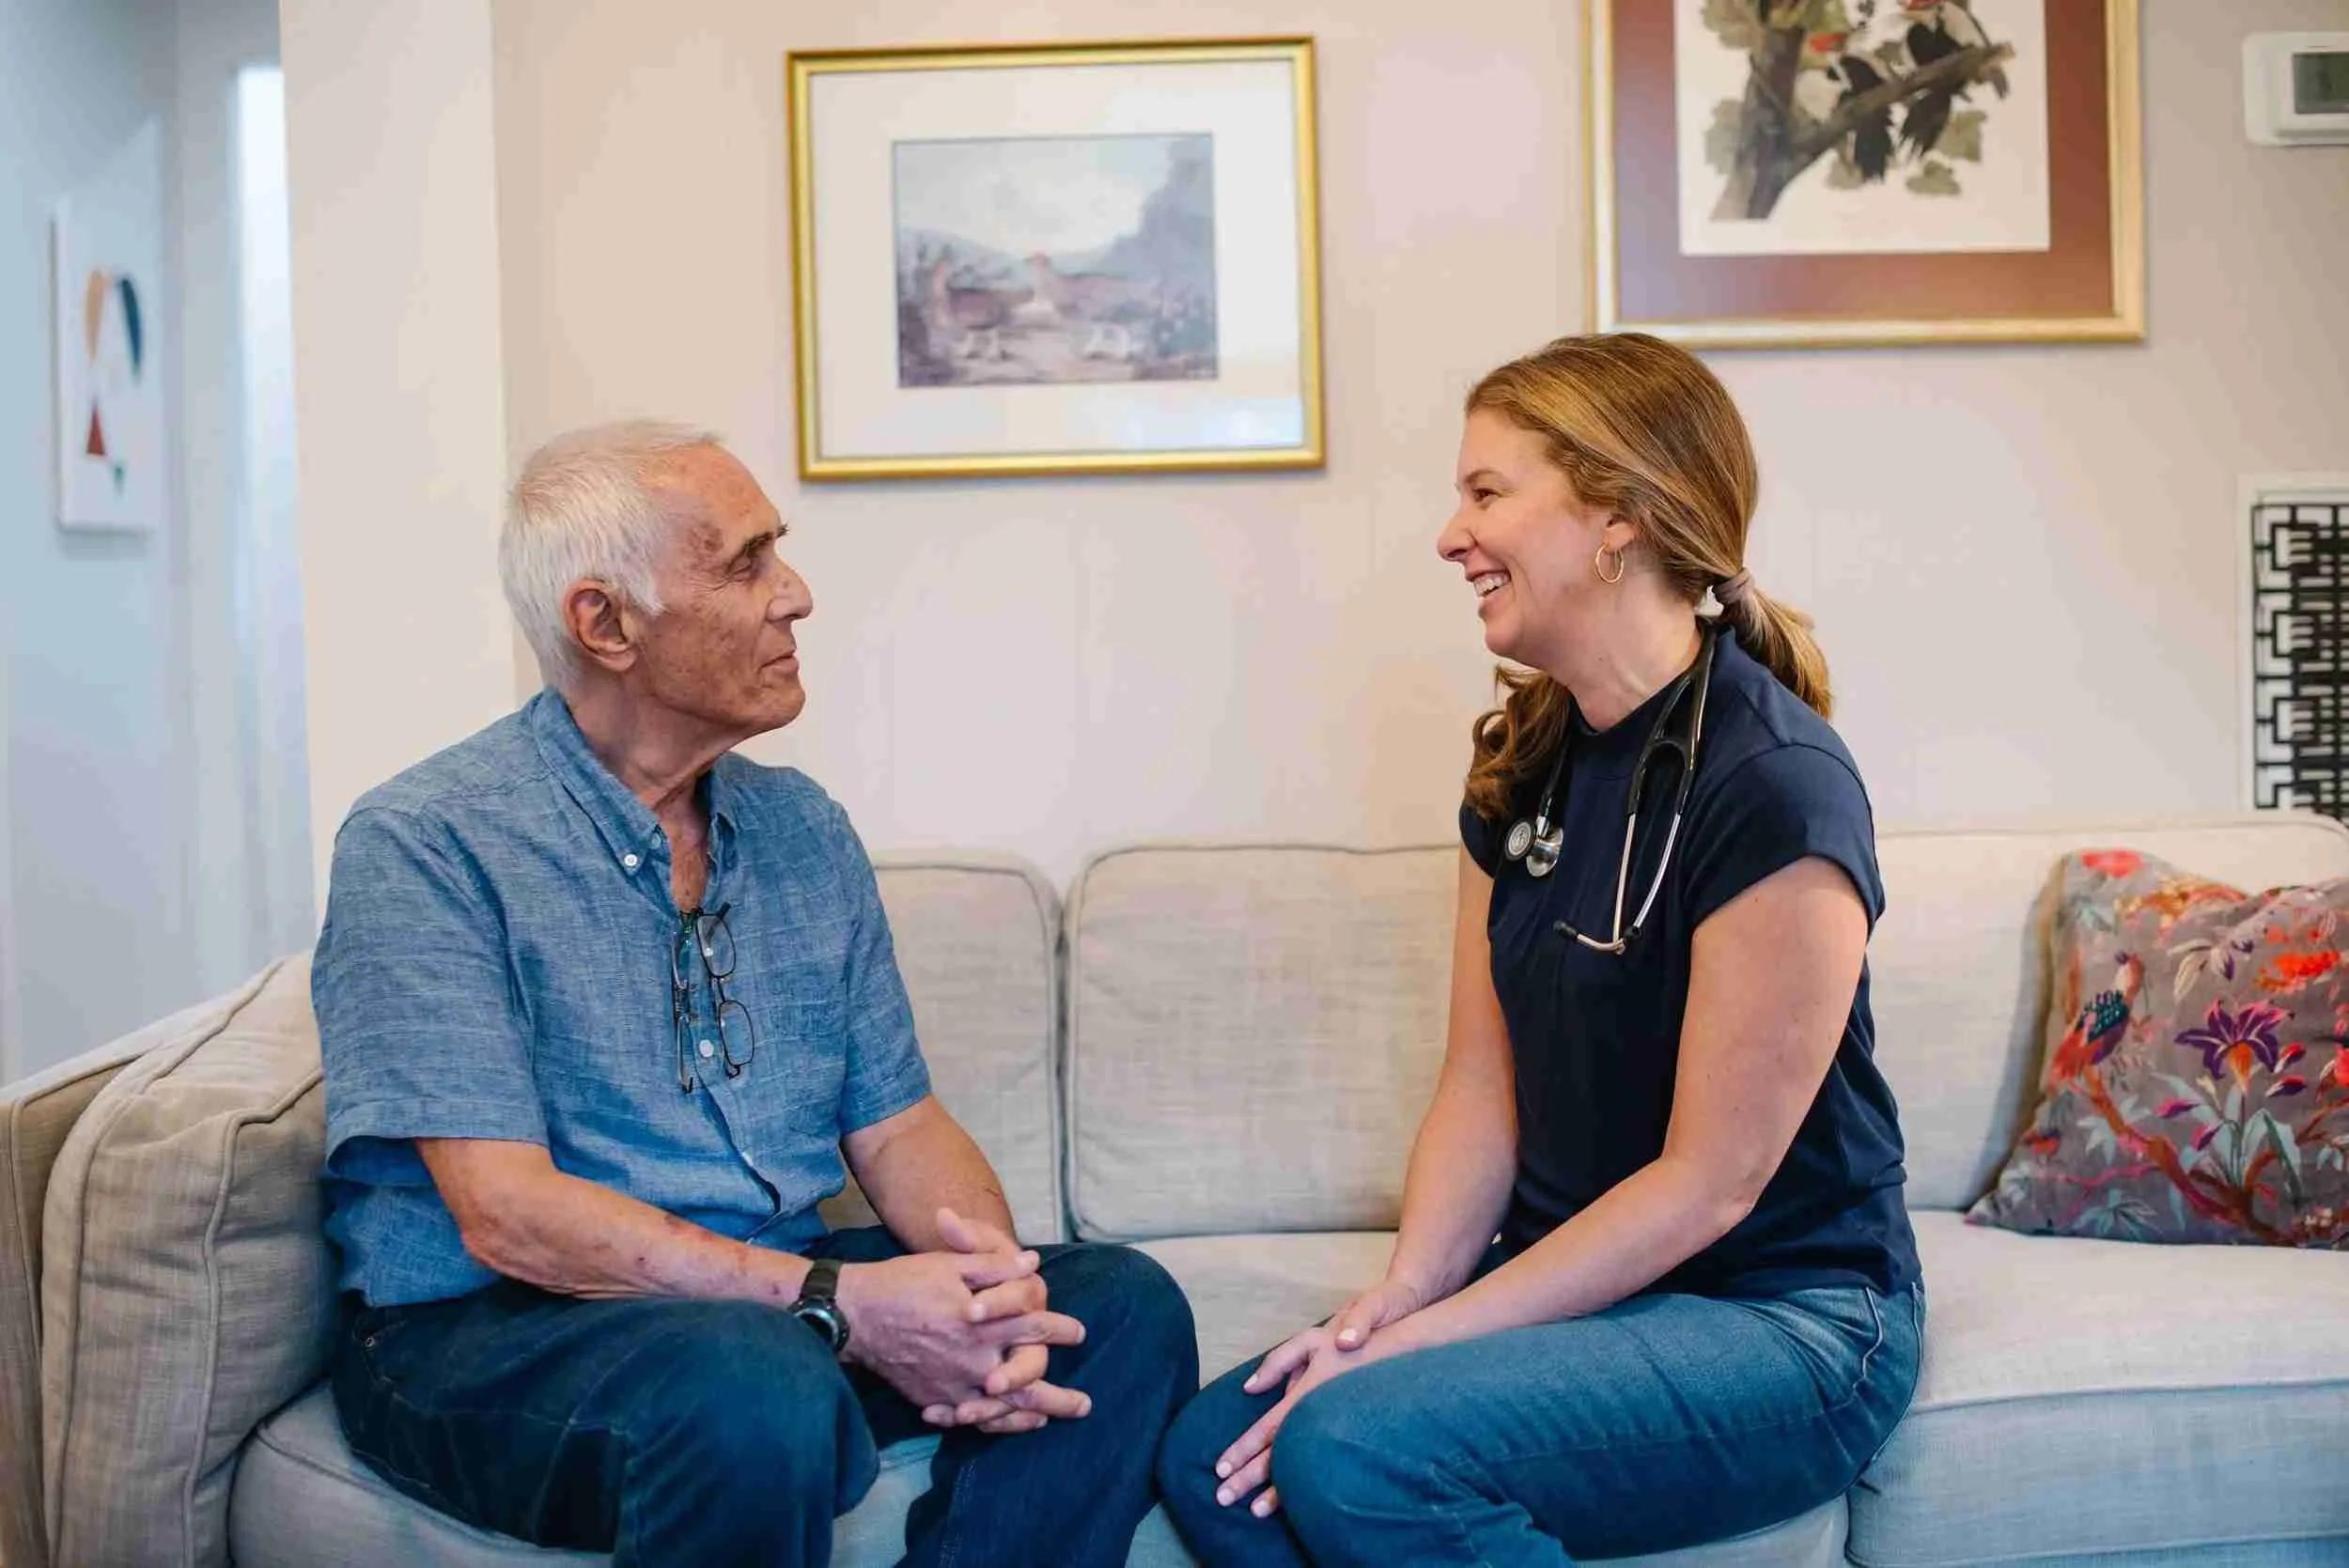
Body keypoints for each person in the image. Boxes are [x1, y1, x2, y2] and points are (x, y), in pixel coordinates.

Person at [313, 422, 1195, 1568]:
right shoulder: (428, 843)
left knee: (1117, 1305)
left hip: (763, 1309)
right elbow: (507, 1212)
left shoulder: (800, 830)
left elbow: (900, 1125)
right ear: (605, 623)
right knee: (755, 1380)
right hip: (494, 1333)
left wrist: (993, 1301)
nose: (797, 595)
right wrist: (841, 1302)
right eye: (745, 563)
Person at [1158, 334, 1924, 1566]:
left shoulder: (1774, 785)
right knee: (1214, 1455)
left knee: (1347, 1448)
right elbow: (1481, 1081)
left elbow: (1709, 1185)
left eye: (1486, 491)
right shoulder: (1526, 761)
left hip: (1786, 1316)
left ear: (1615, 516)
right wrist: (1401, 1299)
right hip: (1588, 1284)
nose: (1449, 535)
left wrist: (1417, 1353)